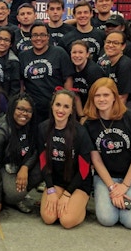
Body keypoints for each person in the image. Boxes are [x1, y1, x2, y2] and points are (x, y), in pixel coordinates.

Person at [83, 78, 131, 229]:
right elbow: (96, 160)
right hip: (106, 177)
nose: (101, 99)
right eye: (97, 96)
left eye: (106, 95)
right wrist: (112, 188)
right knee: (107, 219)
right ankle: (115, 199)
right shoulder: (89, 124)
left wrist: (124, 186)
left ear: (114, 97)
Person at [38, 88, 93, 229]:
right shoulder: (43, 128)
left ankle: (80, 205)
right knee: (49, 218)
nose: (61, 110)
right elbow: (43, 162)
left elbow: (85, 169)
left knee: (66, 221)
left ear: (71, 110)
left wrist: (68, 194)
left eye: (66, 106)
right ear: (52, 105)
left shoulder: (80, 132)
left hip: (78, 183)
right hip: (56, 181)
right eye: (58, 105)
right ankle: (62, 198)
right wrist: (50, 189)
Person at [0, 93, 42, 224]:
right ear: (12, 109)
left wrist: (25, 167)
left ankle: (12, 197)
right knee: (15, 194)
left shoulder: (31, 125)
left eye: (28, 111)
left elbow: (35, 150)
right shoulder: (0, 129)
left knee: (44, 165)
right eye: (20, 109)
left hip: (16, 163)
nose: (24, 114)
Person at [19, 22, 74, 122]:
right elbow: (21, 83)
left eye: (42, 35)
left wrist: (67, 103)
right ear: (30, 38)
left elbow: (68, 79)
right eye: (35, 35)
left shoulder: (59, 53)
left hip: (55, 108)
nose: (38, 38)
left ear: (48, 37)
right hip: (33, 109)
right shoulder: (23, 56)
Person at [70, 40, 106, 115]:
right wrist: (81, 116)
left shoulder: (93, 71)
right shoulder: (71, 68)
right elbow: (75, 94)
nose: (77, 55)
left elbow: (97, 96)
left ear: (87, 54)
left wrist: (88, 116)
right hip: (81, 106)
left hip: (97, 107)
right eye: (74, 52)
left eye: (80, 52)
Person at [0, 26, 21, 97]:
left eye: (6, 40)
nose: (2, 43)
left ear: (11, 44)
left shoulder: (14, 62)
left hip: (4, 100)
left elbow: (15, 90)